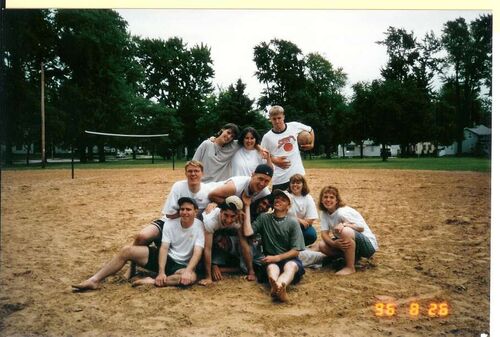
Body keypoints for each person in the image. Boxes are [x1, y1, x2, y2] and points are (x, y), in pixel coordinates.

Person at [72, 197, 205, 291]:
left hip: (181, 265)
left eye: (188, 209)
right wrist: (161, 272)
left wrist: (188, 271)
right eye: (182, 209)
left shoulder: (200, 227)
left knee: (190, 278)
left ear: (195, 211)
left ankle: (151, 281)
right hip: (165, 258)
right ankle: (94, 280)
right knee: (126, 250)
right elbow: (164, 248)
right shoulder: (170, 224)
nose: (185, 212)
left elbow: (198, 252)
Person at [242, 189, 306, 302]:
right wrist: (247, 206)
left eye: (283, 199)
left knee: (291, 266)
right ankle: (279, 288)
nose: (278, 200)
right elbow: (247, 232)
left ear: (288, 206)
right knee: (272, 267)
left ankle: (278, 286)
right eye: (277, 198)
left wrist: (277, 257)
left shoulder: (293, 222)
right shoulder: (264, 218)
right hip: (270, 260)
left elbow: (296, 250)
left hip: (288, 259)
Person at [317, 186, 378, 275]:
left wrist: (344, 224)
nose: (328, 200)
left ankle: (350, 267)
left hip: (368, 246)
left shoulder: (342, 212)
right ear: (321, 200)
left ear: (337, 200)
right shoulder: (324, 213)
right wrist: (334, 244)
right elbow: (324, 234)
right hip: (350, 243)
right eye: (325, 197)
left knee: (345, 231)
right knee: (322, 245)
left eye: (331, 197)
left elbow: (361, 228)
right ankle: (351, 259)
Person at [199, 196, 255, 285]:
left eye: (232, 216)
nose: (229, 220)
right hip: (202, 227)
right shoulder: (210, 220)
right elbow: (207, 249)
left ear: (237, 214)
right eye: (226, 215)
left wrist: (251, 271)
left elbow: (244, 245)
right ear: (221, 211)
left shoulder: (238, 219)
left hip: (222, 231)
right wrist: (208, 277)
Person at [261, 105, 315, 191]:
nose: (277, 121)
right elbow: (262, 155)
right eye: (274, 119)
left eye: (279, 118)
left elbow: (310, 129)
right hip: (280, 178)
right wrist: (274, 160)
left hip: (297, 174)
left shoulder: (294, 126)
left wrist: (312, 144)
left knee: (301, 201)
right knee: (279, 203)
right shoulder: (267, 137)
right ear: (270, 119)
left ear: (283, 117)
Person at [208, 164, 273, 205]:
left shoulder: (265, 193)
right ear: (253, 175)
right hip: (205, 196)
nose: (262, 184)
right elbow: (212, 195)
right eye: (260, 179)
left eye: (266, 181)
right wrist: (236, 208)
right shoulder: (235, 186)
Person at [287, 174, 318, 246]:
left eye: (298, 183)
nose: (295, 185)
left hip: (302, 227)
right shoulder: (286, 195)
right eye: (293, 183)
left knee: (311, 234)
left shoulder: (308, 198)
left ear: (303, 184)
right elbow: (282, 215)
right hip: (286, 226)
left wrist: (298, 224)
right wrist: (298, 220)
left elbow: (310, 219)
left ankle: (298, 247)